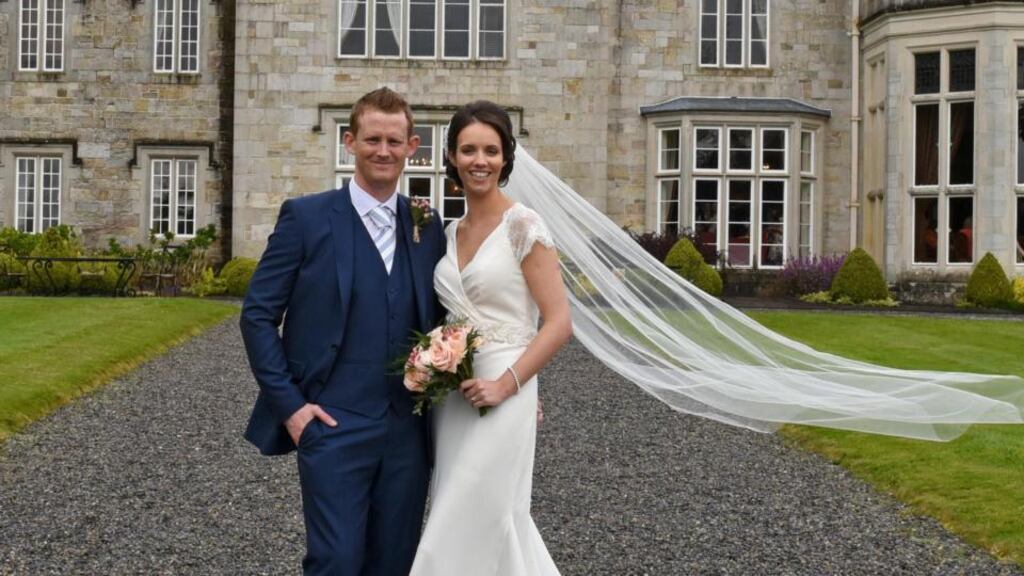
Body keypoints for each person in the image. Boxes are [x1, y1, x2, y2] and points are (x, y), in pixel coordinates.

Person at [239, 87, 446, 576]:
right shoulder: (306, 218)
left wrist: (512, 376)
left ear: (412, 146)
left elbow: (453, 315)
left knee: (394, 563)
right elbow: (258, 315)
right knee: (335, 560)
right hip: (331, 422)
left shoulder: (427, 224)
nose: (383, 150)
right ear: (349, 142)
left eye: (394, 141)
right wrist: (291, 409)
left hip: (407, 431)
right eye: (372, 138)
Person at [410, 101, 573, 574]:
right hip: (454, 397)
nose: (479, 160)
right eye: (468, 150)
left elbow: (559, 322)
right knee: (481, 519)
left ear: (505, 158)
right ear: (452, 157)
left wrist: (509, 384)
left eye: (490, 150)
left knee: (463, 519)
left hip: (505, 395)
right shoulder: (448, 231)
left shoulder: (524, 225)